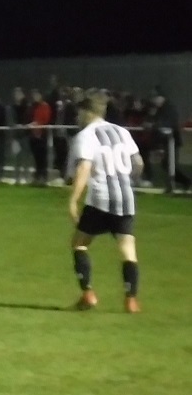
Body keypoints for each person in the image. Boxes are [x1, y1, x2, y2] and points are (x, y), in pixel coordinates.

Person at [67, 92, 143, 312]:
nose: (77, 117)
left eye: (79, 112)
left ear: (87, 112)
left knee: (79, 243)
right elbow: (138, 164)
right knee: (128, 250)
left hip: (100, 199)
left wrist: (73, 200)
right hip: (126, 198)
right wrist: (127, 182)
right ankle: (131, 300)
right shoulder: (121, 131)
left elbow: (84, 168)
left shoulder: (86, 135)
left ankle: (88, 294)